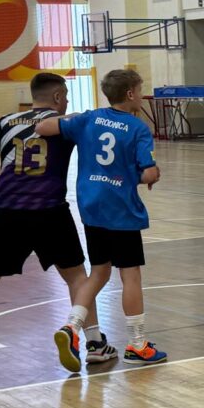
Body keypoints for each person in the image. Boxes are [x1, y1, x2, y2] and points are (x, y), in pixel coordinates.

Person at [35, 69, 165, 371]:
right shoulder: (137, 128)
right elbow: (148, 172)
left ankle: (72, 326)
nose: (141, 94)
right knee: (130, 276)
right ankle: (137, 344)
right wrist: (149, 175)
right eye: (140, 89)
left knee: (98, 273)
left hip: (91, 208)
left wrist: (73, 119)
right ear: (130, 94)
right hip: (121, 211)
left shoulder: (89, 119)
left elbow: (43, 127)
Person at [0, 73, 115, 367]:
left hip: (7, 209)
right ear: (58, 97)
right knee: (76, 277)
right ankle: (95, 344)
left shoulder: (5, 122)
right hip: (50, 211)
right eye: (67, 97)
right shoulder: (67, 124)